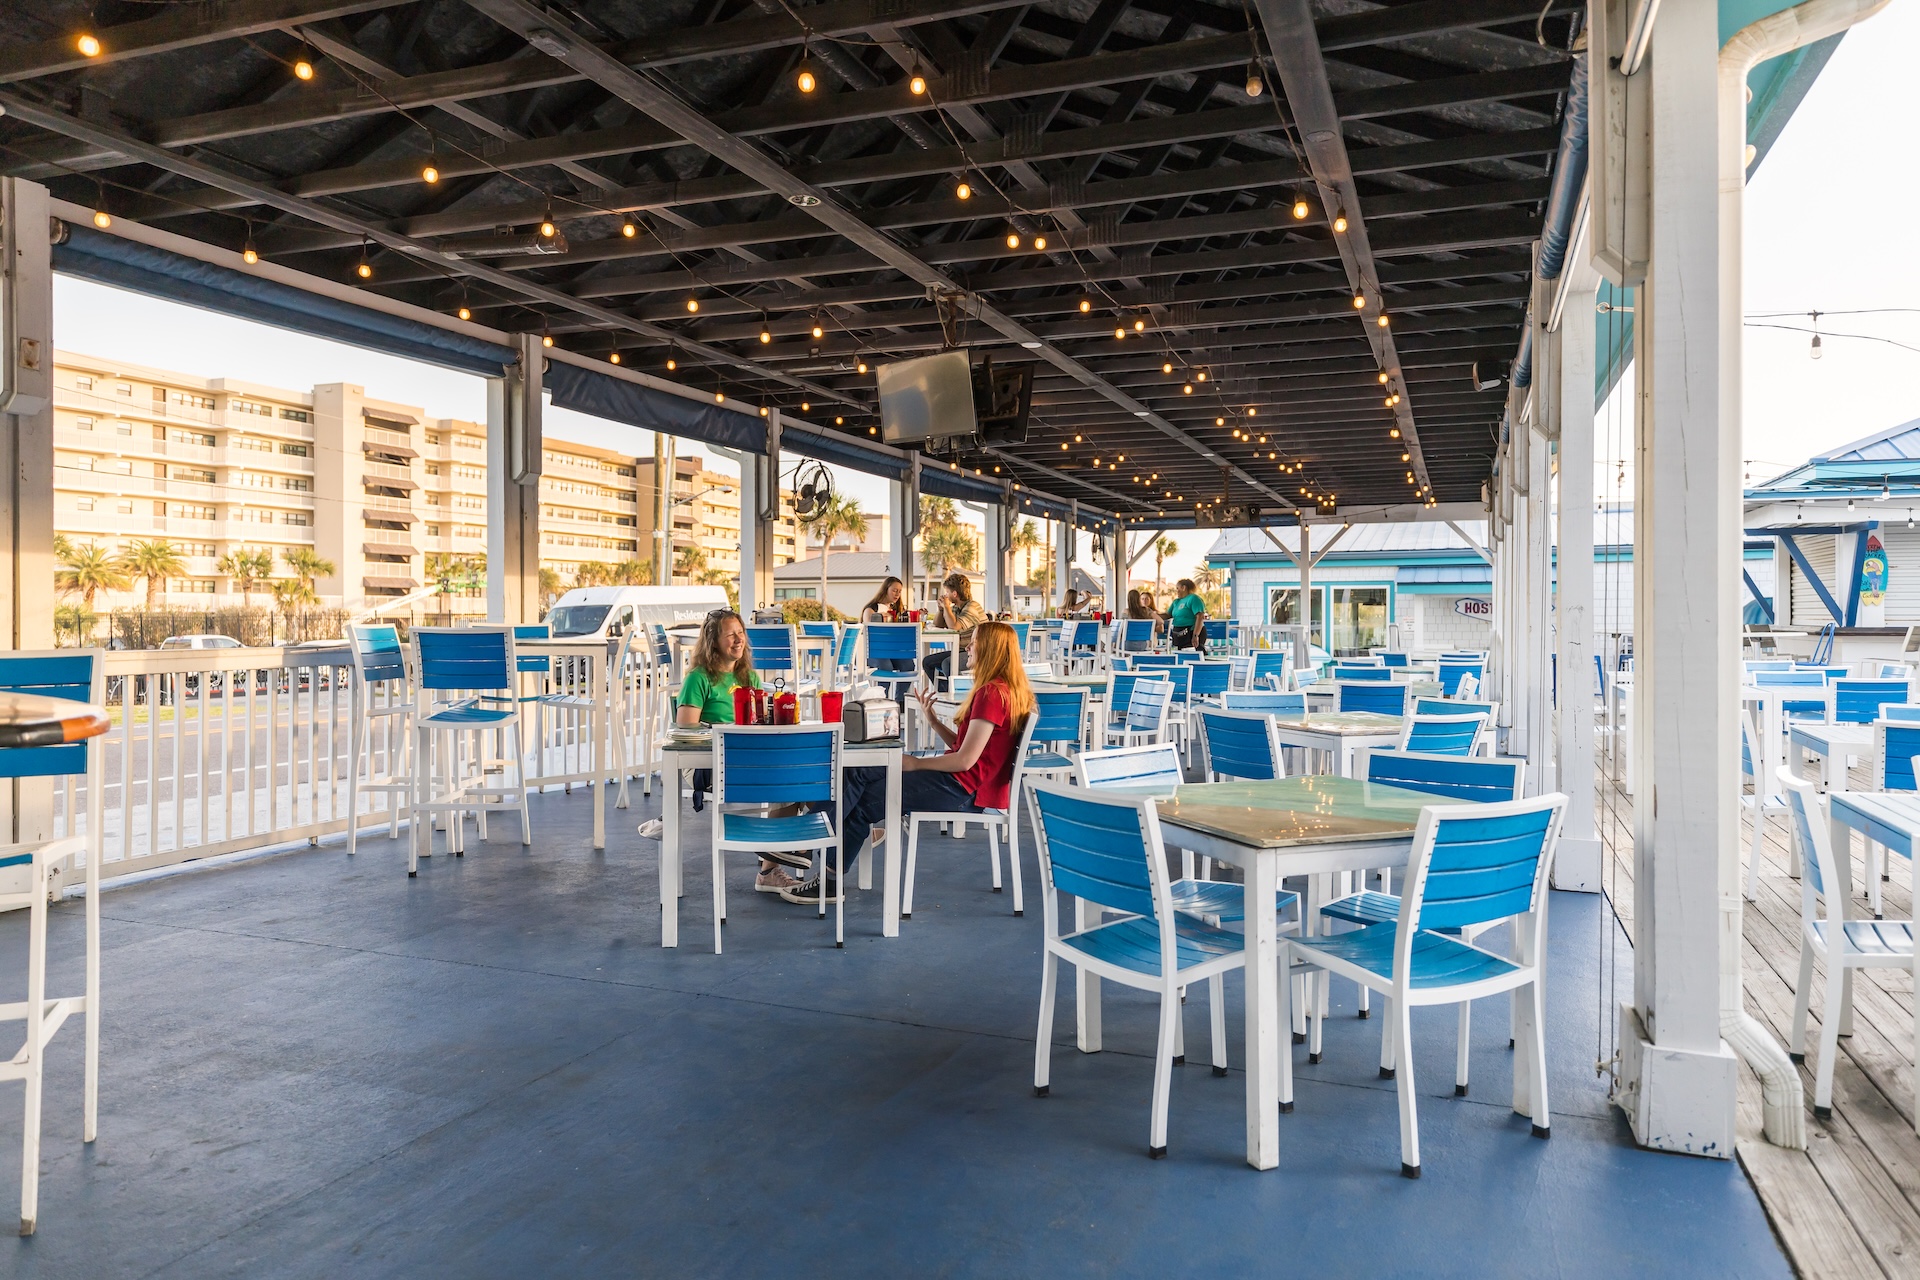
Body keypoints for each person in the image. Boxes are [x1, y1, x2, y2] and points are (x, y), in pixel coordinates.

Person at [784, 621, 1033, 905]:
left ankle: (808, 845)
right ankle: (819, 863)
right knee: (858, 779)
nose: (967, 647)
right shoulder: (1005, 690)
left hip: (962, 789)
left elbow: (965, 760)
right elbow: (968, 749)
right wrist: (934, 721)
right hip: (969, 785)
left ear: (989, 649)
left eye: (974, 642)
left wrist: (915, 764)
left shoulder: (990, 694)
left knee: (859, 786)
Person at [671, 609, 808, 895]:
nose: (738, 640)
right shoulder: (699, 678)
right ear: (713, 642)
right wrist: (723, 732)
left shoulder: (749, 678)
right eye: (730, 634)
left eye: (741, 633)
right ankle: (829, 834)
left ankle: (774, 865)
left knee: (800, 777)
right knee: (791, 782)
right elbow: (685, 731)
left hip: (743, 762)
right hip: (705, 764)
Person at [921, 572, 987, 692]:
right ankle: (945, 692)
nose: (945, 595)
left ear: (954, 594)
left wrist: (946, 607)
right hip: (962, 650)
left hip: (980, 652)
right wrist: (941, 610)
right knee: (928, 662)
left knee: (948, 664)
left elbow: (955, 626)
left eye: (947, 592)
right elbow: (938, 624)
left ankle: (955, 695)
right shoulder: (957, 608)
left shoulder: (972, 607)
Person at [1165, 578, 1207, 651]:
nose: (1176, 591)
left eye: (1177, 588)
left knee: (1194, 656)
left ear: (1183, 588)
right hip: (1178, 634)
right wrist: (1151, 614)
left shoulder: (1193, 598)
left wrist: (1195, 635)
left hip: (1191, 632)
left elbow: (1200, 616)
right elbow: (1167, 615)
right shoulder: (1176, 602)